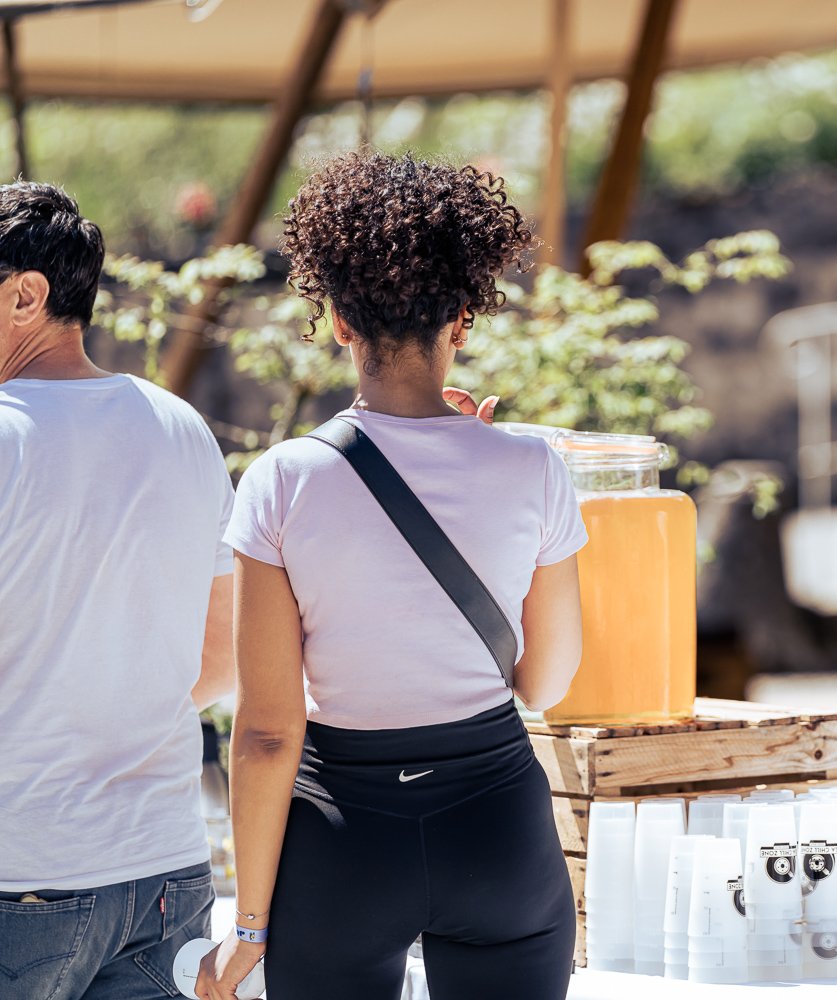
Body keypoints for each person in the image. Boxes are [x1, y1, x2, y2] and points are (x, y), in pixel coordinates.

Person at [197, 151, 585, 1000]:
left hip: (342, 841)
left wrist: (248, 931)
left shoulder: (283, 481)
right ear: (463, 321)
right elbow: (545, 683)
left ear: (338, 322)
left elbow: (265, 733)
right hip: (498, 831)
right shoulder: (534, 469)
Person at [0, 182, 236, 999]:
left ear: (27, 294)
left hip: (21, 872)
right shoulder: (181, 429)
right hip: (165, 873)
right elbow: (223, 656)